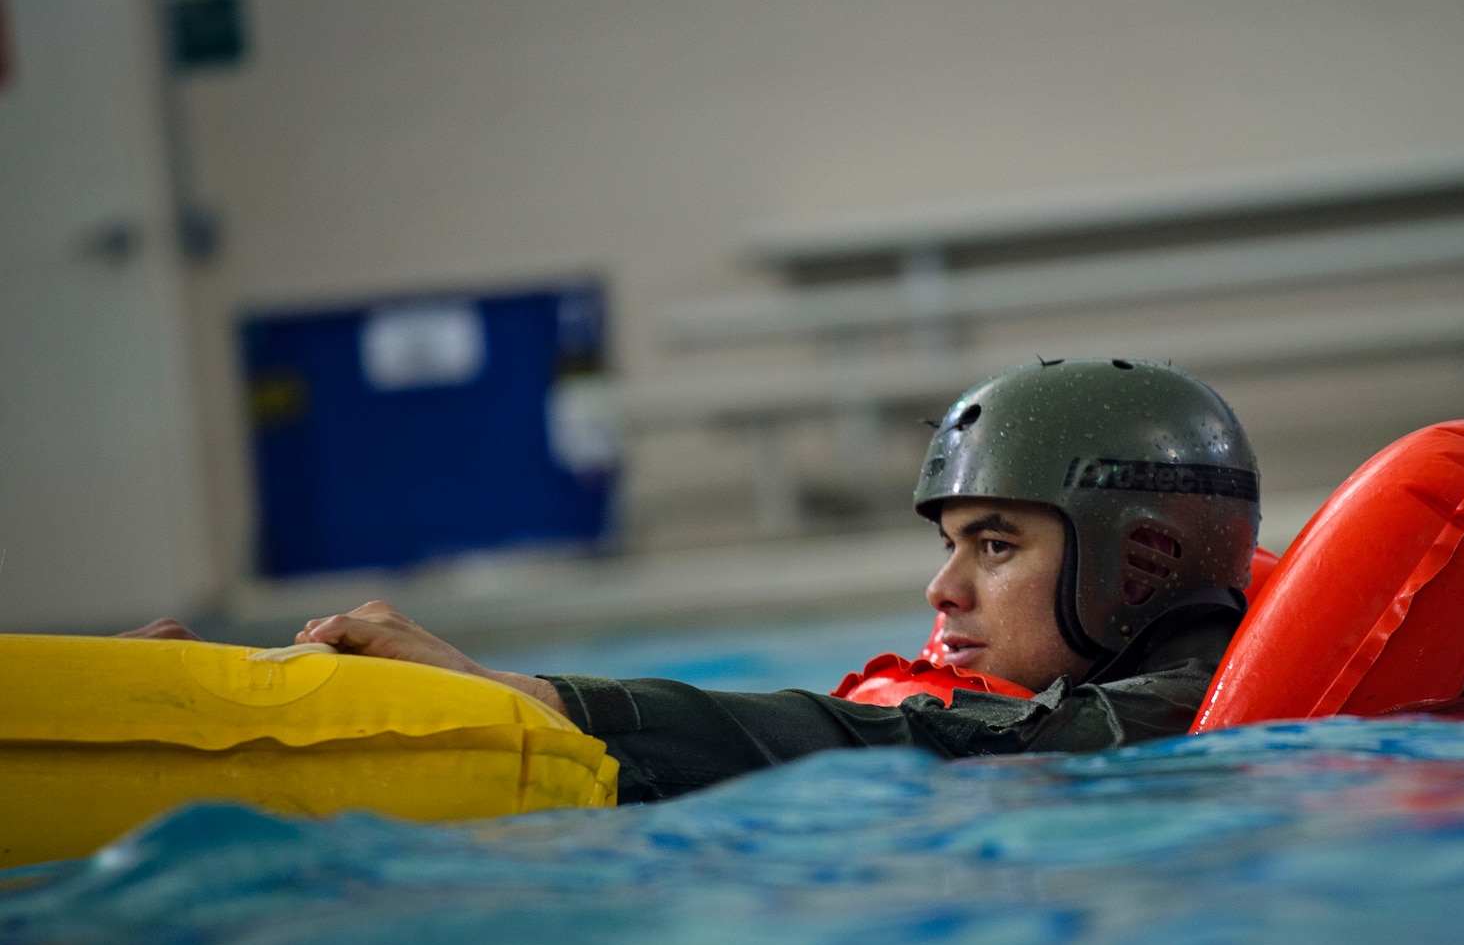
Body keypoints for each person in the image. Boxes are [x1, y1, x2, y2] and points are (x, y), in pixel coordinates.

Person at [131, 359, 1262, 802]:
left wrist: (542, 701)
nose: (944, 591)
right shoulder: (1037, 708)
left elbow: (967, 752)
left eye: (996, 544)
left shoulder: (1172, 716)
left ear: (1143, 561)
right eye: (948, 543)